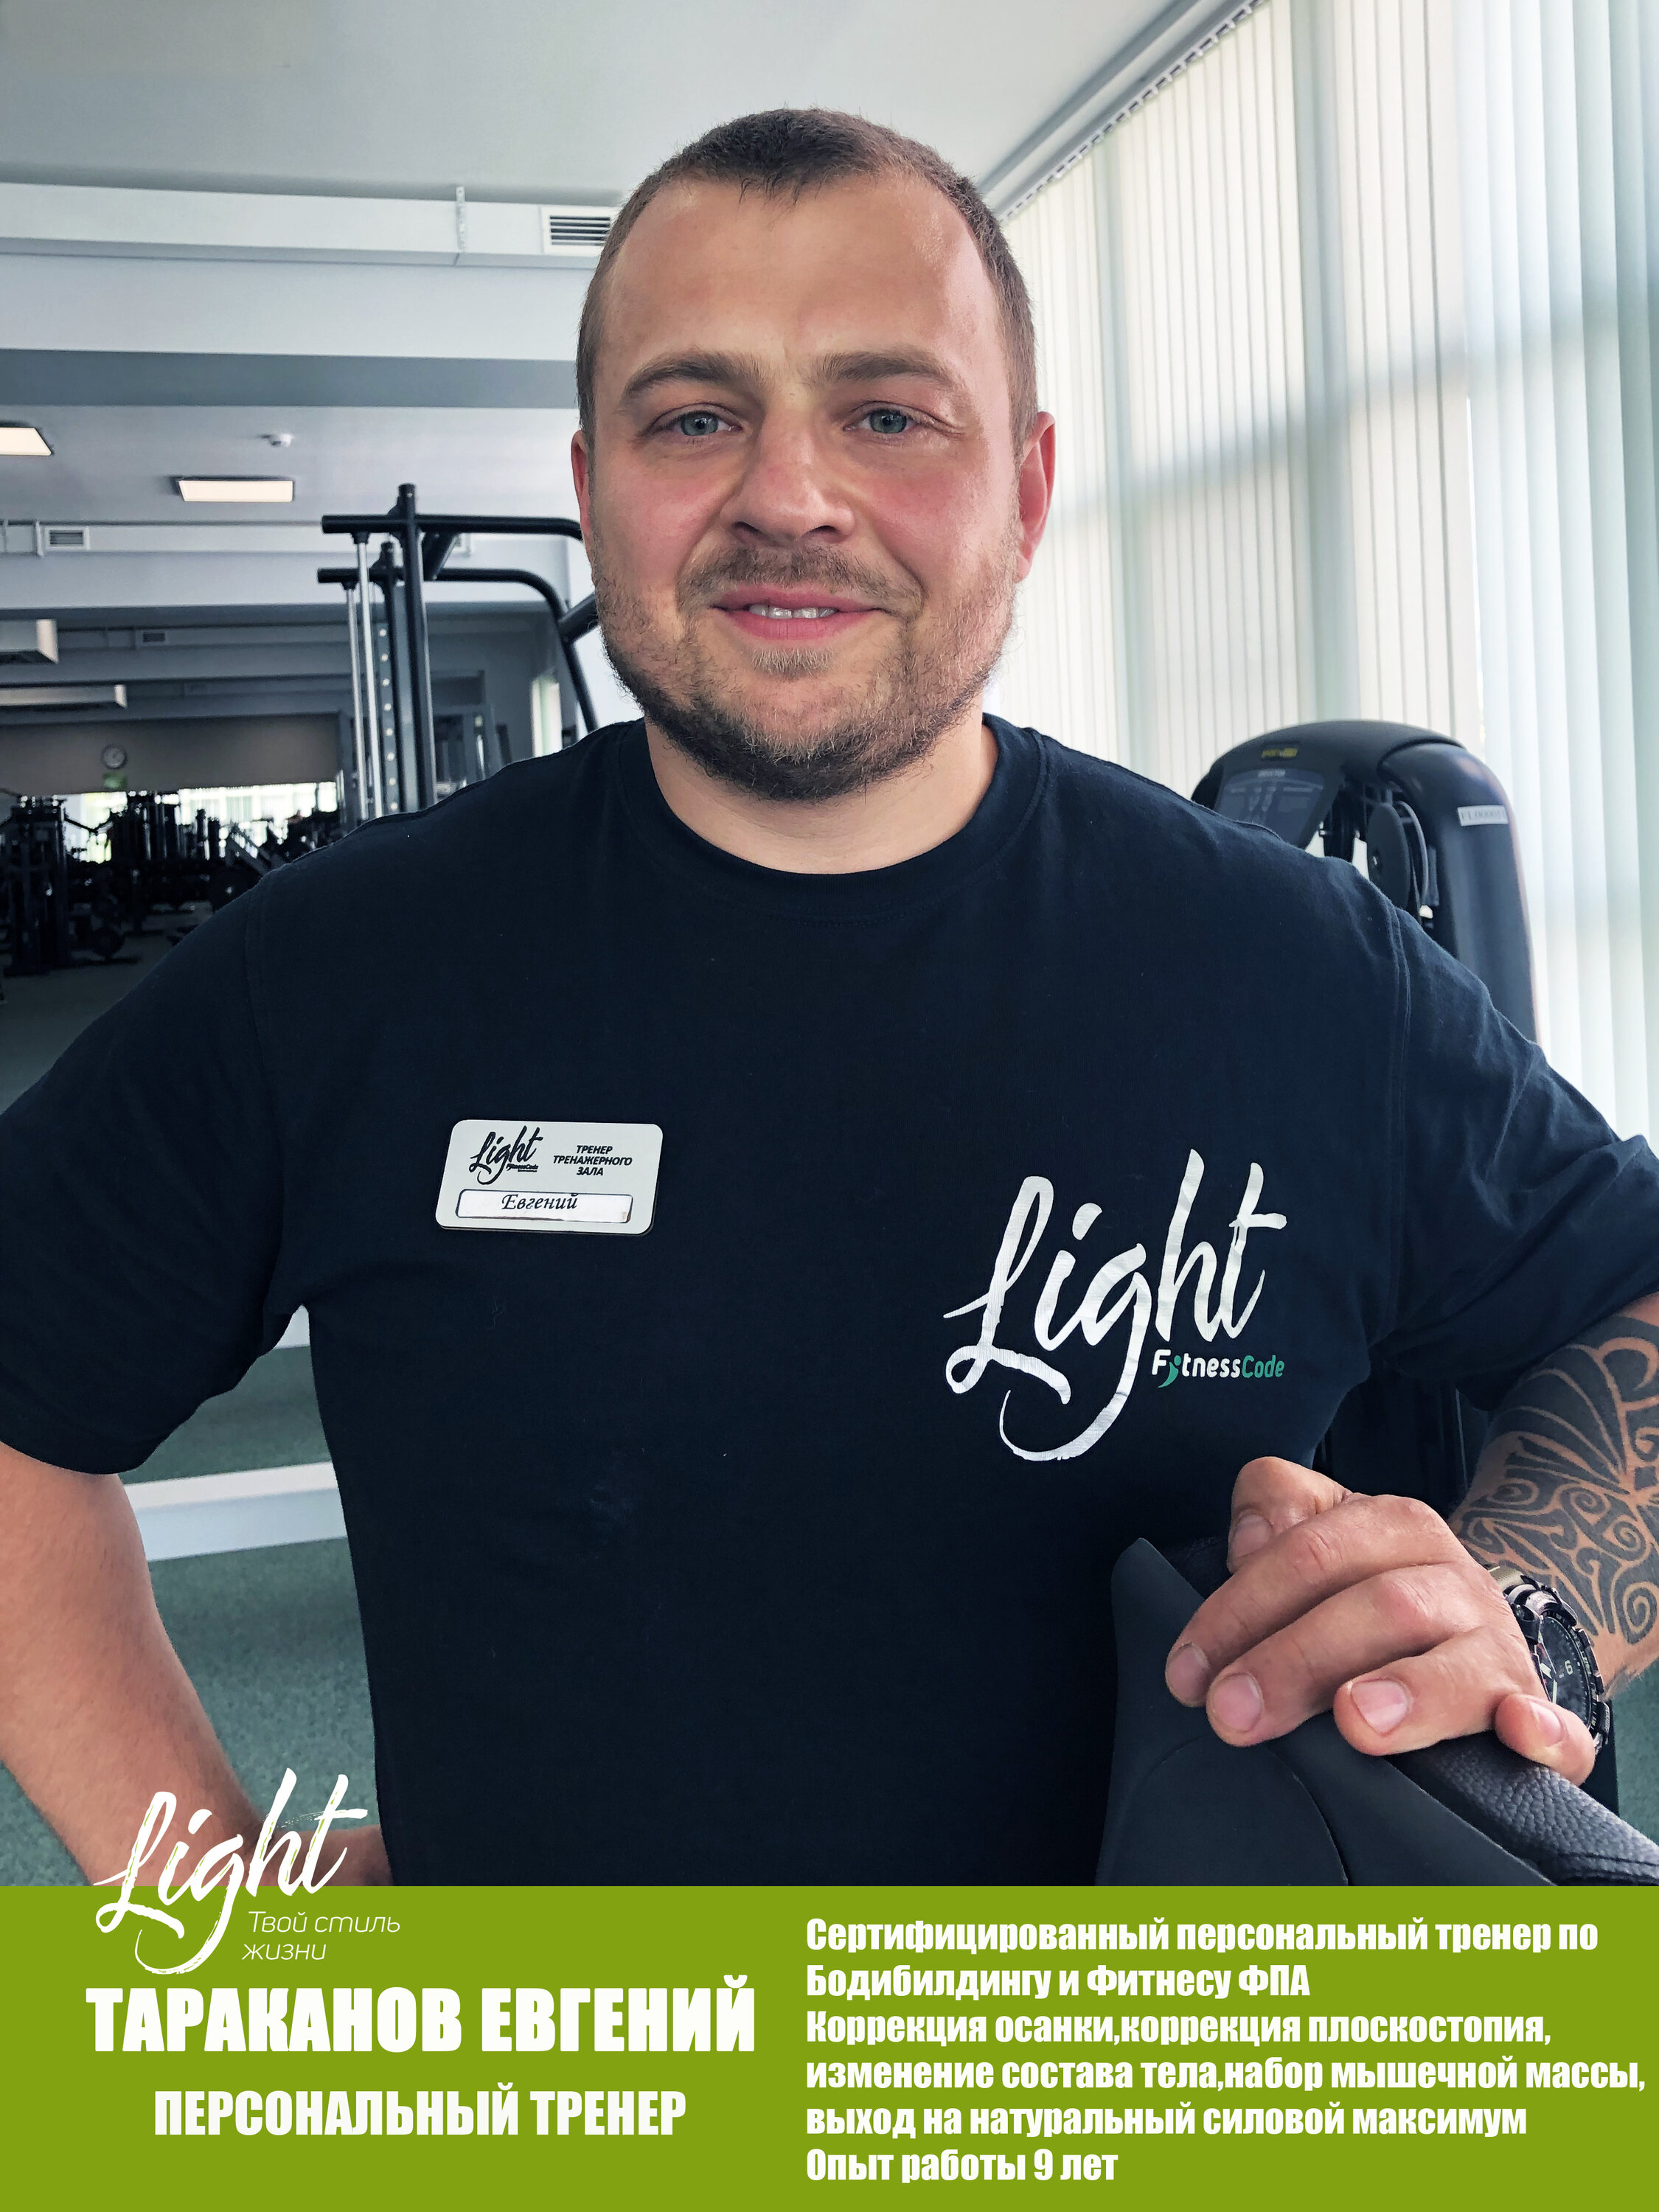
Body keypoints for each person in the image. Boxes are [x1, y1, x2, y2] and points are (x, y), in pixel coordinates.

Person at [1, 108, 1657, 1891]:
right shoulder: (338, 972)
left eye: (888, 414)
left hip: (1146, 2043)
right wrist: (215, 1903)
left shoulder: (1301, 971)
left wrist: (1530, 1611)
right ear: (593, 489)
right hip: (599, 2061)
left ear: (1026, 488)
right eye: (695, 417)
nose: (788, 497)